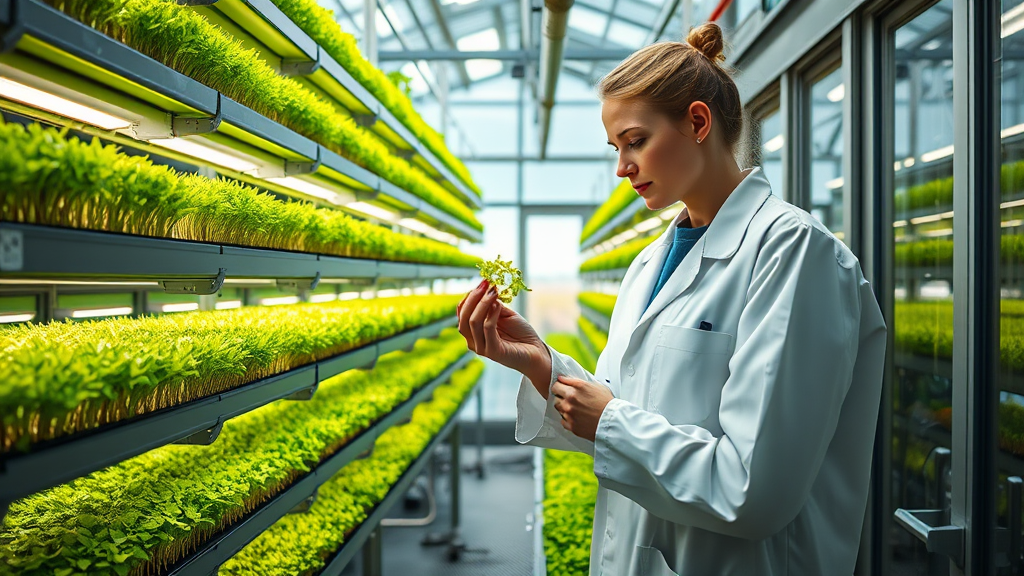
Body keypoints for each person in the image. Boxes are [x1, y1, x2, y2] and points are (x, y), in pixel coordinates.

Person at [456, 22, 886, 576]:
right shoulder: (649, 263)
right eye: (615, 147)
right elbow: (621, 409)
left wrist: (609, 420)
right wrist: (541, 366)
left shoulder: (795, 253)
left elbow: (751, 491)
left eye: (636, 141)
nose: (622, 167)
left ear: (698, 122)